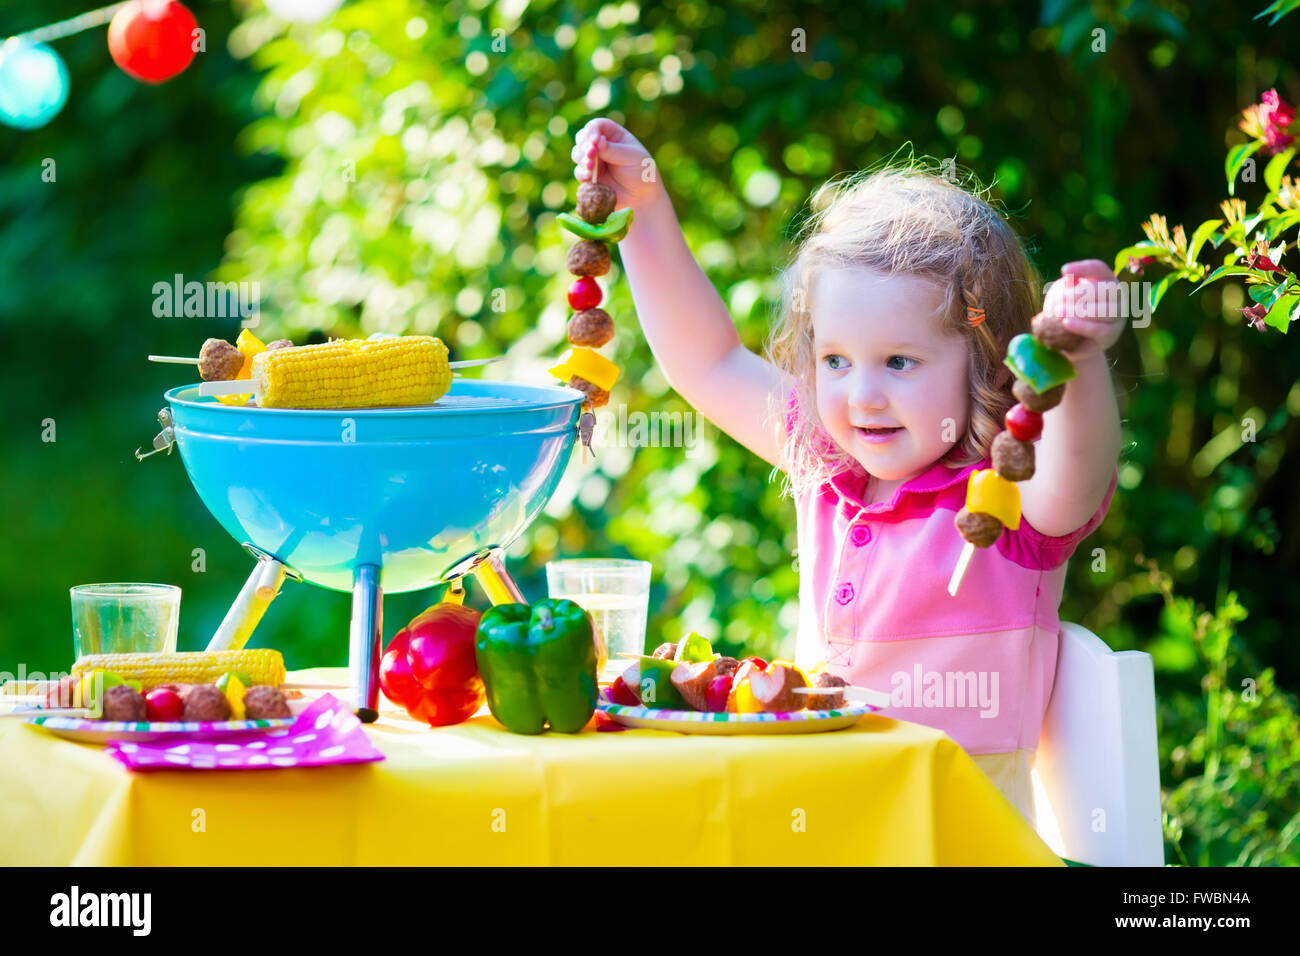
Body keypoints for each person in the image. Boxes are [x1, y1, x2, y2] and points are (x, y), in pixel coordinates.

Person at [572, 120, 1123, 826]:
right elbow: (706, 361)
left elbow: (1080, 469)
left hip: (955, 843)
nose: (861, 395)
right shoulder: (828, 462)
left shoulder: (1007, 497)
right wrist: (644, 204)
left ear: (984, 362)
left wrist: (1077, 360)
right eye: (835, 360)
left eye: (899, 361)